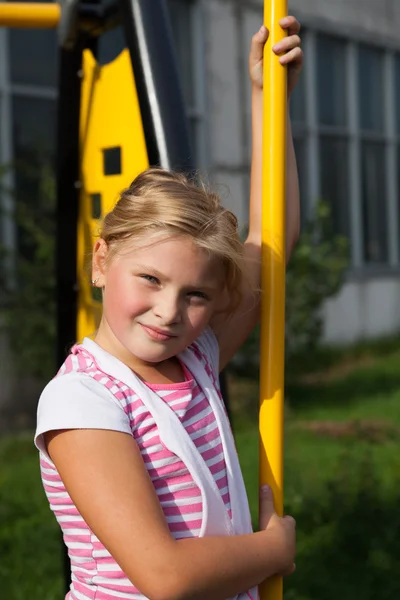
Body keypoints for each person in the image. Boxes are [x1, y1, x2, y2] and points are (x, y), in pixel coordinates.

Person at [35, 16, 303, 600]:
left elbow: (272, 241)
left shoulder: (196, 359)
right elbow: (165, 577)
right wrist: (272, 550)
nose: (169, 311)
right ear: (102, 262)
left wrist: (267, 99)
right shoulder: (83, 399)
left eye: (196, 294)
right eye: (150, 279)